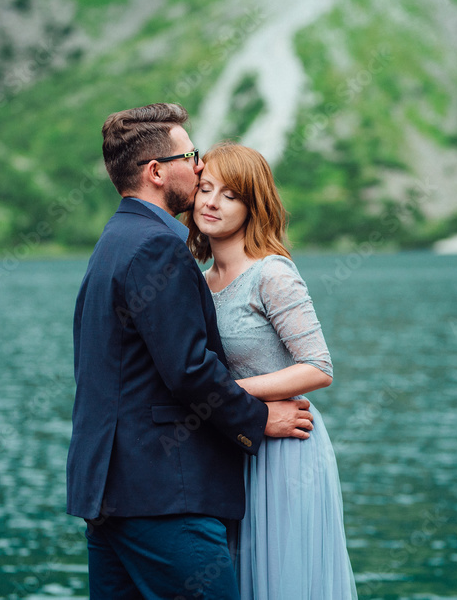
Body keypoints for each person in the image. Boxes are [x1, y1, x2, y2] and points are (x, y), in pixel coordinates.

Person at [66, 103, 315, 599]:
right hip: (164, 497)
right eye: (191, 155)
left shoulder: (114, 242)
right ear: (157, 171)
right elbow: (188, 368)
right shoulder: (157, 247)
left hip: (111, 496)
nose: (199, 167)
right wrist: (258, 419)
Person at [185, 142, 358, 599]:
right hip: (237, 442)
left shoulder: (271, 274)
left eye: (230, 194)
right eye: (205, 188)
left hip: (287, 447)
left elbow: (319, 367)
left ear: (252, 205)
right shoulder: (200, 281)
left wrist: (227, 391)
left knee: (285, 580)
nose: (212, 202)